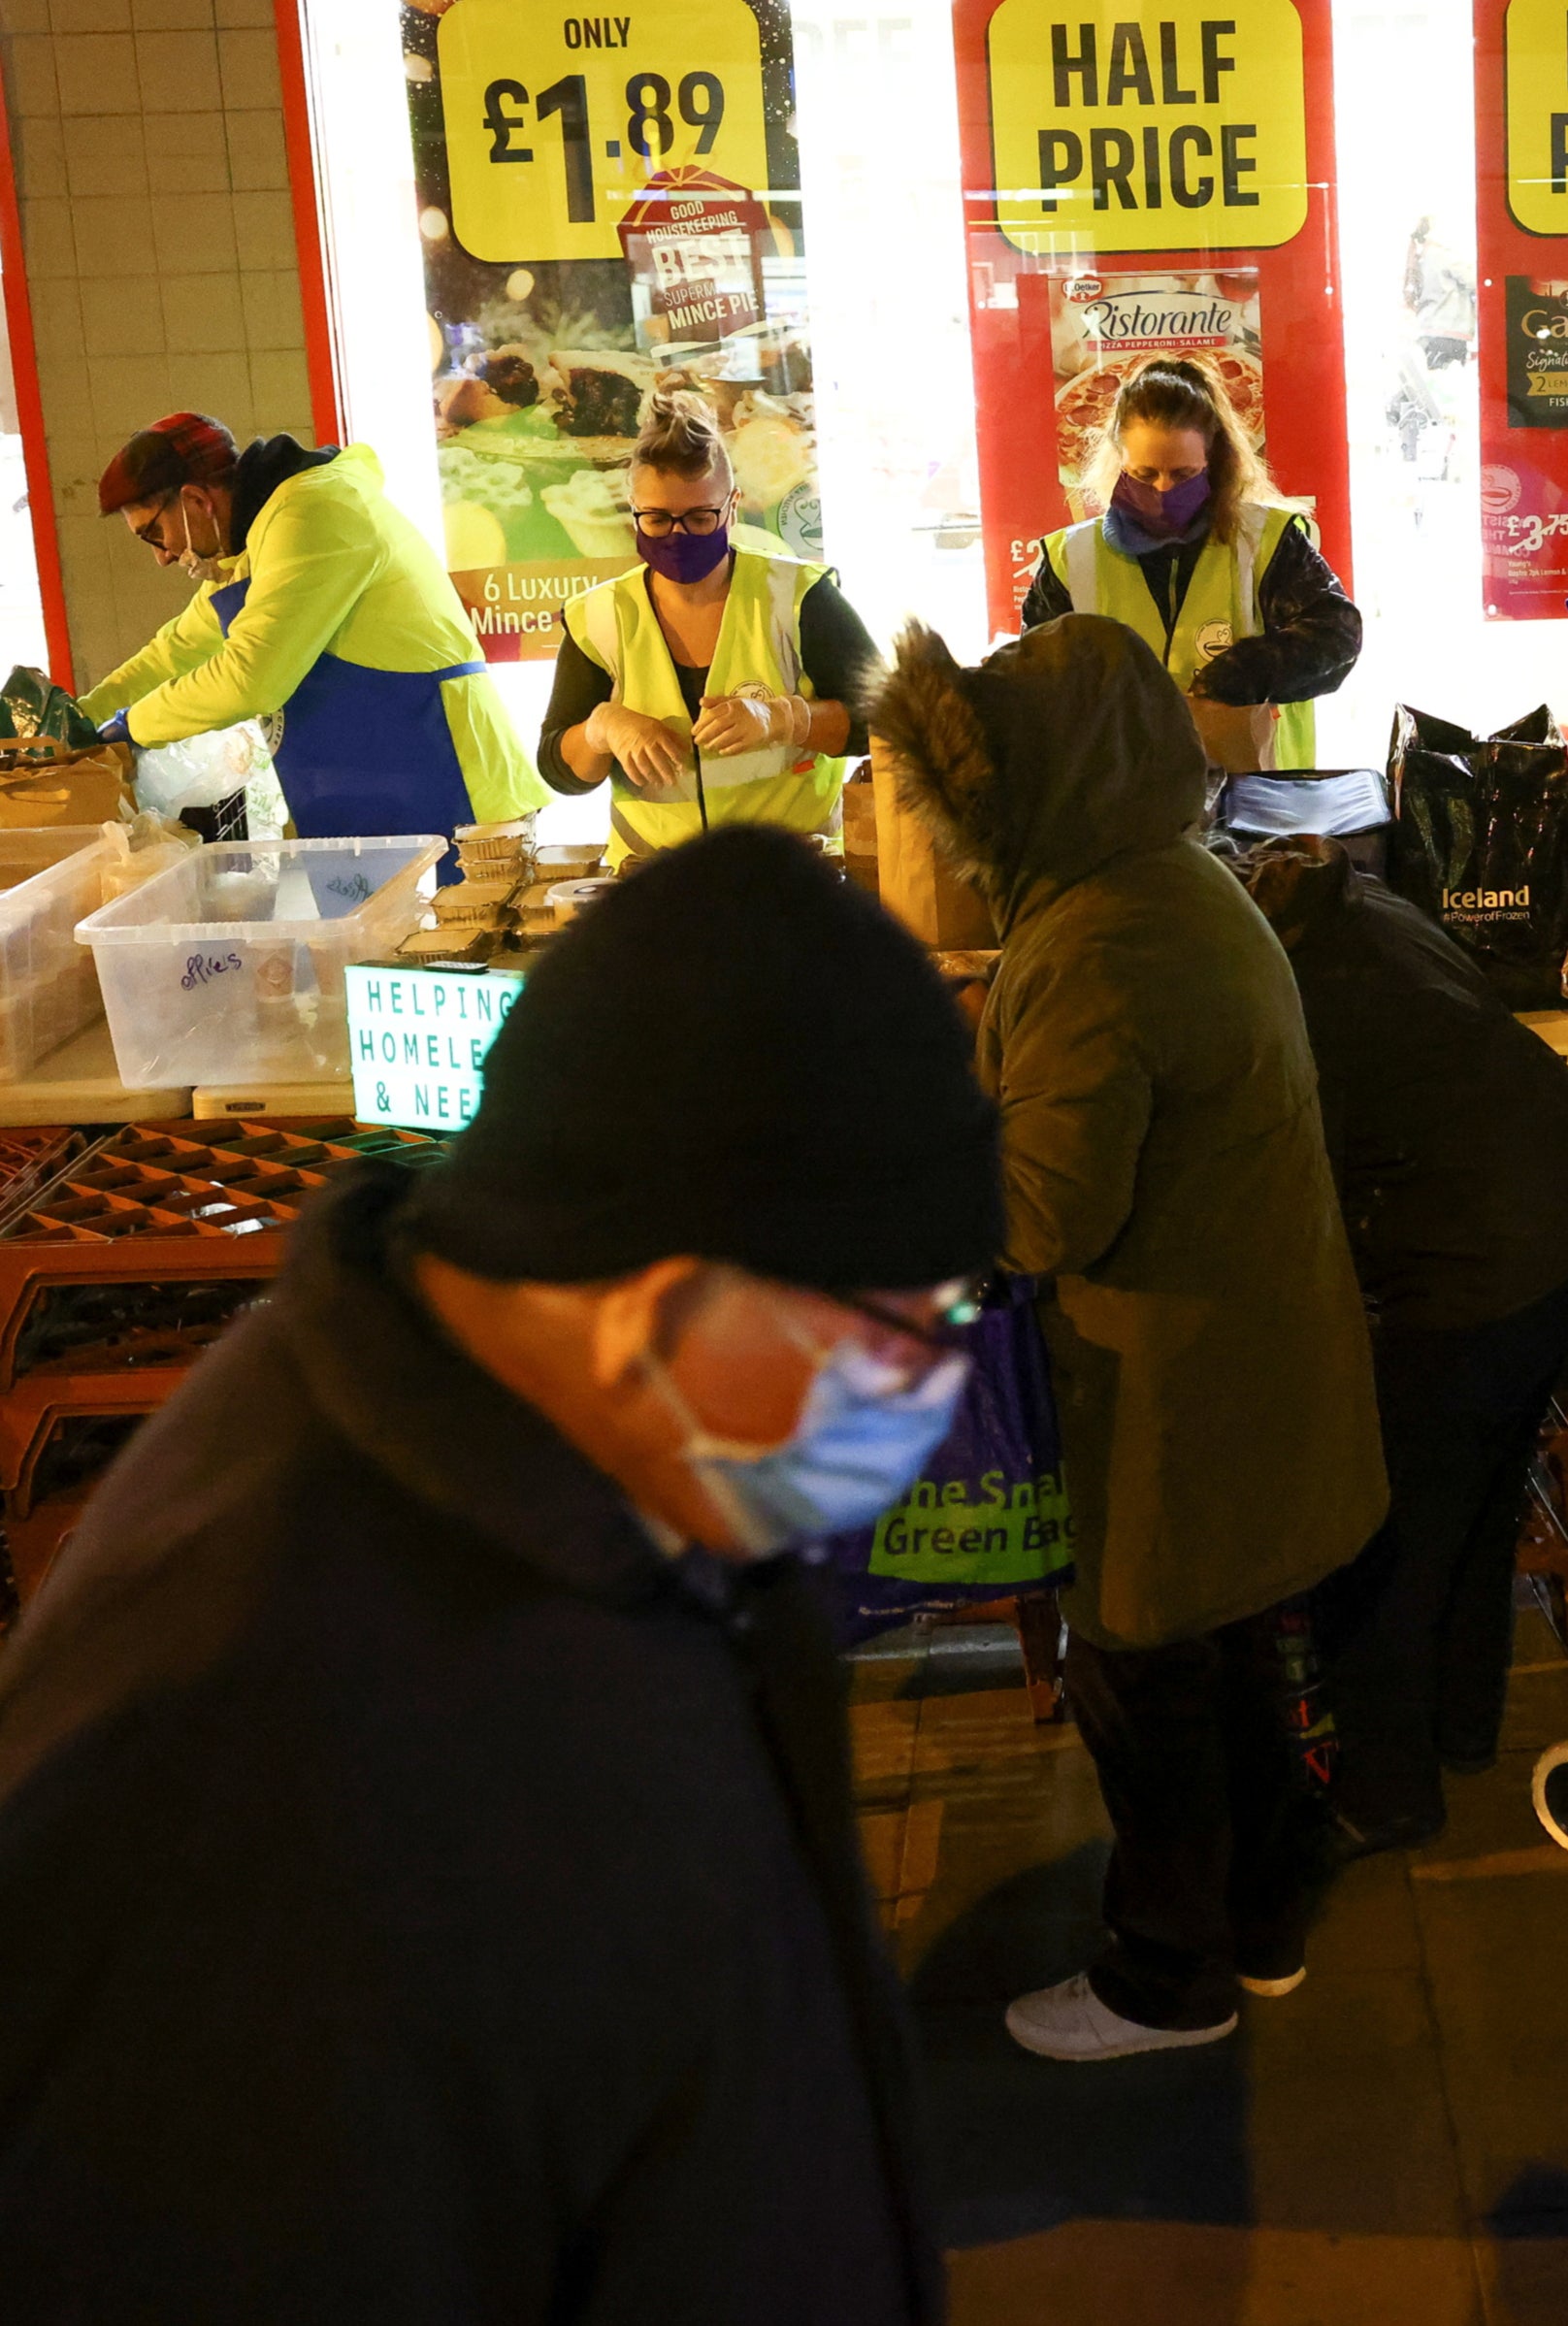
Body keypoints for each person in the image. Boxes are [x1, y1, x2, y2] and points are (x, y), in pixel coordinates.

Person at [0, 827, 1000, 2320]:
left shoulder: (574, 1482)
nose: (923, 1394)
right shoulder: (274, 1801)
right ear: (657, 1315)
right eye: (900, 1333)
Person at [868, 612, 1387, 2058]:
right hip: (1248, 1348)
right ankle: (1264, 1924)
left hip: (1178, 1380)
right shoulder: (1166, 883)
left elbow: (1040, 1216)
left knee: (1141, 1672)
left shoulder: (1099, 941)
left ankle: (1170, 1979)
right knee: (1227, 1655)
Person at [1228, 835, 1568, 1852]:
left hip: (1470, 1262)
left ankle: (1386, 1792)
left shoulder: (1296, 987)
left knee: (1384, 1533)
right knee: (1481, 1500)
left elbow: (1298, 1177)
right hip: (1562, 1214)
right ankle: (1460, 1727)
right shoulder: (1358, 897)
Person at [78, 410, 544, 837]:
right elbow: (173, 652)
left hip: (459, 794)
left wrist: (130, 725)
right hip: (370, 801)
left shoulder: (315, 513)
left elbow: (250, 678)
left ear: (195, 499)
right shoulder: (255, 547)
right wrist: (78, 723)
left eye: (153, 534)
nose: (161, 557)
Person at [539, 396, 878, 864]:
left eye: (700, 518)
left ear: (733, 507)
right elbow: (562, 772)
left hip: (793, 881)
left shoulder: (800, 598)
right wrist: (602, 728)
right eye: (656, 519)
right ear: (634, 510)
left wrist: (785, 720)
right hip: (655, 884)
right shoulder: (598, 617)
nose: (678, 535)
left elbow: (883, 720)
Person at [1017, 356, 1360, 771]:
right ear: (1119, 460)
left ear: (1213, 461)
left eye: (1183, 475)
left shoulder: (1266, 540)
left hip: (1251, 791)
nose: (1163, 489)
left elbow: (1337, 635)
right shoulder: (1072, 558)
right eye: (1145, 474)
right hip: (1119, 794)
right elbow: (1037, 677)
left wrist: (1254, 668)